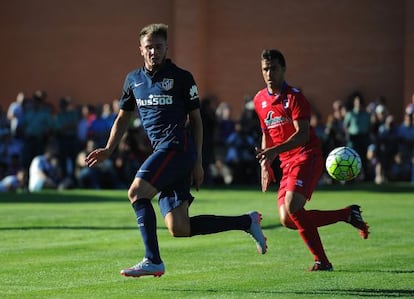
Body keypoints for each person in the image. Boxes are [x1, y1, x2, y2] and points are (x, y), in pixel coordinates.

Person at [85, 23, 267, 278]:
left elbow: (197, 120)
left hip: (177, 148)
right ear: (140, 49)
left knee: (137, 193)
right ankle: (247, 221)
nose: (153, 52)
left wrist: (199, 162)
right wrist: (108, 148)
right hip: (165, 153)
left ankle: (152, 260)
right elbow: (123, 118)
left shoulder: (182, 78)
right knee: (179, 228)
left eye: (158, 47)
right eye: (149, 47)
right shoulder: (133, 80)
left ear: (166, 48)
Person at [253, 49, 369, 271]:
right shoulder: (259, 99)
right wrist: (265, 165)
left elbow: (303, 134)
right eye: (265, 69)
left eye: (274, 68)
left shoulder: (295, 97)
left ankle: (322, 261)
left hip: (307, 155)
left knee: (293, 208)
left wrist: (274, 151)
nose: (269, 73)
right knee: (287, 220)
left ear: (284, 69)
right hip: (285, 161)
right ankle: (347, 214)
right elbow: (266, 133)